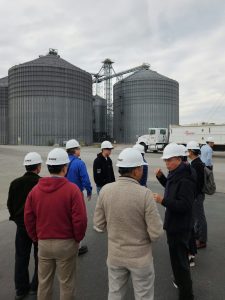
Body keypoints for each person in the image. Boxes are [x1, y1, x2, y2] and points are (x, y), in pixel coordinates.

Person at [94, 148, 163, 300]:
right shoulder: (145, 194)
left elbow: (98, 225)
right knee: (144, 295)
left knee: (115, 294)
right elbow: (156, 233)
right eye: (141, 168)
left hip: (115, 255)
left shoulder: (106, 190)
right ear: (137, 170)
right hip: (140, 258)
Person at [24, 148, 87, 300]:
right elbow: (80, 219)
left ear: (48, 167)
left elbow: (28, 217)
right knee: (66, 284)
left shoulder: (35, 190)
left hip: (43, 243)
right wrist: (77, 239)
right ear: (65, 167)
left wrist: (36, 238)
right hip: (66, 243)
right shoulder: (72, 190)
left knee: (44, 283)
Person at [153, 143, 196, 300]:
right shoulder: (176, 172)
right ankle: (180, 282)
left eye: (169, 160)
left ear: (178, 159)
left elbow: (184, 205)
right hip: (174, 225)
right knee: (177, 260)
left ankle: (186, 294)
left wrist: (162, 201)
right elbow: (171, 189)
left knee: (180, 263)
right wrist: (161, 178)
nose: (166, 163)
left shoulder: (186, 178)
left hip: (179, 226)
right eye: (165, 160)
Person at [7, 152, 42, 300]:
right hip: (38, 226)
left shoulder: (15, 183)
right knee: (39, 257)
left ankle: (21, 290)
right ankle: (36, 287)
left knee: (21, 257)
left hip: (21, 226)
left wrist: (18, 220)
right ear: (38, 167)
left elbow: (10, 205)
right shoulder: (41, 183)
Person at [65, 139, 92, 255]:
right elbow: (85, 179)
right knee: (79, 219)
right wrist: (89, 191)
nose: (80, 150)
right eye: (78, 148)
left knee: (66, 218)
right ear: (75, 150)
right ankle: (78, 246)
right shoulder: (79, 163)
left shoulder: (63, 162)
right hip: (76, 195)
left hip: (63, 194)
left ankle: (66, 243)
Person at [187, 141, 207, 249]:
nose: (187, 153)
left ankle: (202, 240)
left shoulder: (196, 164)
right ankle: (198, 237)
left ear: (191, 152)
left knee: (199, 218)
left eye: (188, 150)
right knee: (197, 217)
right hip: (198, 194)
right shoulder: (197, 162)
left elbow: (196, 183)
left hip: (197, 195)